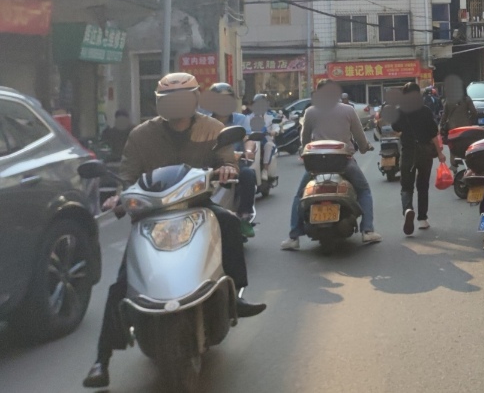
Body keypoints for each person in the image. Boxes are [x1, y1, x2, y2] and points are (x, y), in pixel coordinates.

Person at [83, 73, 265, 389]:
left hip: (197, 206)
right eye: (168, 100)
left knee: (229, 222)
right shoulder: (141, 135)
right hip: (151, 215)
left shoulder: (213, 128)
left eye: (181, 98)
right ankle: (102, 359)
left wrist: (227, 168)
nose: (175, 104)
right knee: (122, 283)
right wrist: (119, 196)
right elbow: (127, 176)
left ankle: (236, 293)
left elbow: (227, 160)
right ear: (159, 103)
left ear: (194, 100)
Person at [280, 79, 381, 249]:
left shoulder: (310, 111)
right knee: (364, 191)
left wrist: (305, 152)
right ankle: (368, 230)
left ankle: (294, 237)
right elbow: (360, 138)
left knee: (300, 195)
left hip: (316, 165)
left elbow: (304, 141)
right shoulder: (348, 110)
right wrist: (364, 148)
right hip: (343, 161)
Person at [204, 82, 258, 238]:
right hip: (209, 164)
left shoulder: (240, 119)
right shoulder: (204, 121)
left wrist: (248, 151)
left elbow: (248, 138)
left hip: (235, 163)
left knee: (248, 175)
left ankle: (244, 217)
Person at [392, 82, 445, 235]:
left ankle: (408, 209)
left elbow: (396, 129)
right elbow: (434, 133)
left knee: (406, 187)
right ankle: (422, 219)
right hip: (425, 152)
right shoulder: (425, 110)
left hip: (408, 152)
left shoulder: (400, 111)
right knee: (423, 186)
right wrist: (440, 153)